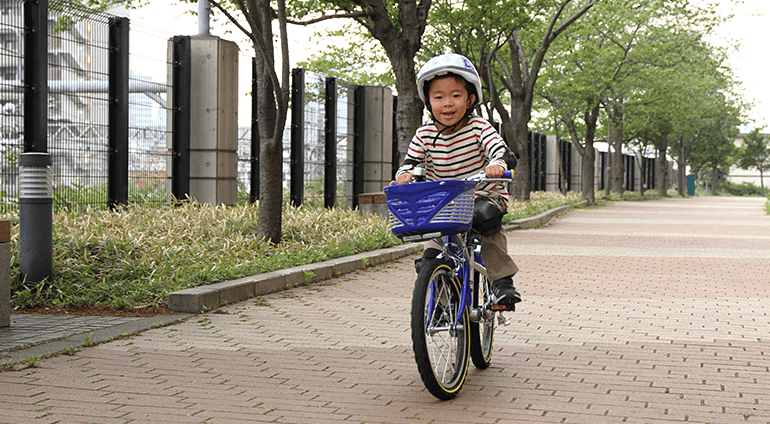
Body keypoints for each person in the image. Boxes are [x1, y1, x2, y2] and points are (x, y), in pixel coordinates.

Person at [395, 53, 522, 305]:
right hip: (442, 200)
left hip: (482, 193)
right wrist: (404, 175)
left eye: (456, 95)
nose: (447, 103)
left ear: (470, 99)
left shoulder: (479, 127)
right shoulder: (424, 134)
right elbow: (409, 163)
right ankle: (441, 303)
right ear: (427, 103)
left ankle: (502, 283)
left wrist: (497, 163)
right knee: (431, 253)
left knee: (487, 221)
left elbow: (499, 150)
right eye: (438, 97)